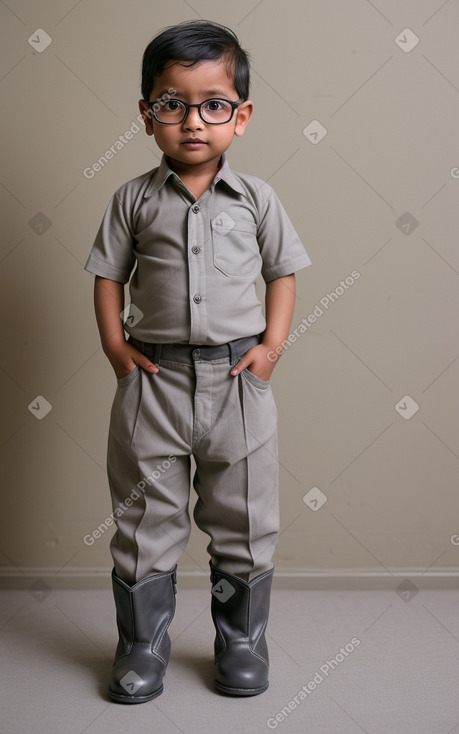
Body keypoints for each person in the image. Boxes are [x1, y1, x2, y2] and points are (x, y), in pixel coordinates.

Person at [85, 19, 311, 704]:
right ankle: (141, 645)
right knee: (145, 518)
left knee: (242, 517)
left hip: (237, 381)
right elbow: (106, 276)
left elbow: (282, 273)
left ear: (239, 117)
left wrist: (270, 349)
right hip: (151, 380)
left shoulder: (257, 200)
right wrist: (117, 352)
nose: (191, 121)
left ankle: (240, 641)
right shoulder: (131, 199)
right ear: (147, 115)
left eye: (213, 104)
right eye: (171, 104)